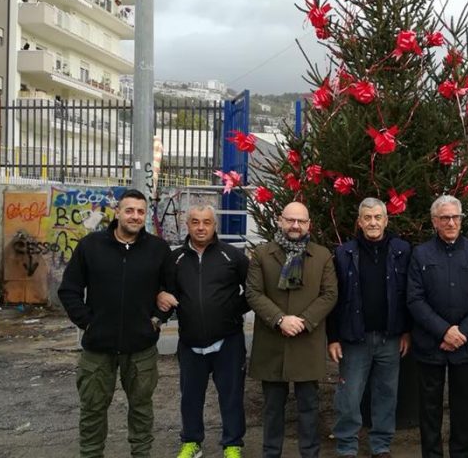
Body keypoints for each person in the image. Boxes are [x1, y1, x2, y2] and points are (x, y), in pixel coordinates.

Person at [58, 189, 170, 458]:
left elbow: (171, 289)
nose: (135, 216)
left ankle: (141, 454)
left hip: (141, 347)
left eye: (141, 211)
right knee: (93, 408)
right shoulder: (91, 246)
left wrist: (156, 319)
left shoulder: (158, 249)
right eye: (129, 210)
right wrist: (88, 323)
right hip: (98, 347)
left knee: (142, 407)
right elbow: (69, 290)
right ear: (117, 212)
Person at [156, 205, 250, 458]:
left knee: (231, 396)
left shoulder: (233, 256)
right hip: (190, 342)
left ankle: (232, 444)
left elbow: (252, 290)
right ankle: (192, 441)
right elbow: (167, 292)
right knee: (190, 397)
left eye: (206, 222)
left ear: (214, 226)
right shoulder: (175, 259)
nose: (201, 227)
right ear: (187, 225)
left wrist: (232, 310)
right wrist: (161, 301)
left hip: (228, 341)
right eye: (195, 222)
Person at [246, 202, 338, 458]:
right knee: (273, 407)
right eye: (290, 220)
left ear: (309, 224)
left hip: (307, 341)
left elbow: (330, 294)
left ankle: (310, 453)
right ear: (279, 221)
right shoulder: (262, 254)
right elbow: (253, 292)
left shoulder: (322, 256)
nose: (295, 225)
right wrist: (279, 319)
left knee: (309, 406)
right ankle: (271, 453)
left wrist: (304, 321)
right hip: (272, 342)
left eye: (301, 221)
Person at [407, 195, 468, 458]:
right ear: (435, 221)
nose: (451, 222)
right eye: (445, 218)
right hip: (430, 344)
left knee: (461, 406)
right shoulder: (420, 254)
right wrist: (443, 331)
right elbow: (414, 298)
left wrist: (461, 333)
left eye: (455, 217)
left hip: (463, 346)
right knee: (429, 408)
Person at [328, 197, 412, 458]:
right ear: (359, 222)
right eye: (368, 218)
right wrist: (333, 338)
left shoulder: (402, 251)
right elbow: (334, 298)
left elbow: (409, 295)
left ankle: (381, 445)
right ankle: (346, 446)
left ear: (386, 220)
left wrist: (407, 330)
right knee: (349, 396)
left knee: (386, 394)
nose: (373, 222)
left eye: (378, 217)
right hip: (355, 338)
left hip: (391, 337)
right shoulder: (344, 254)